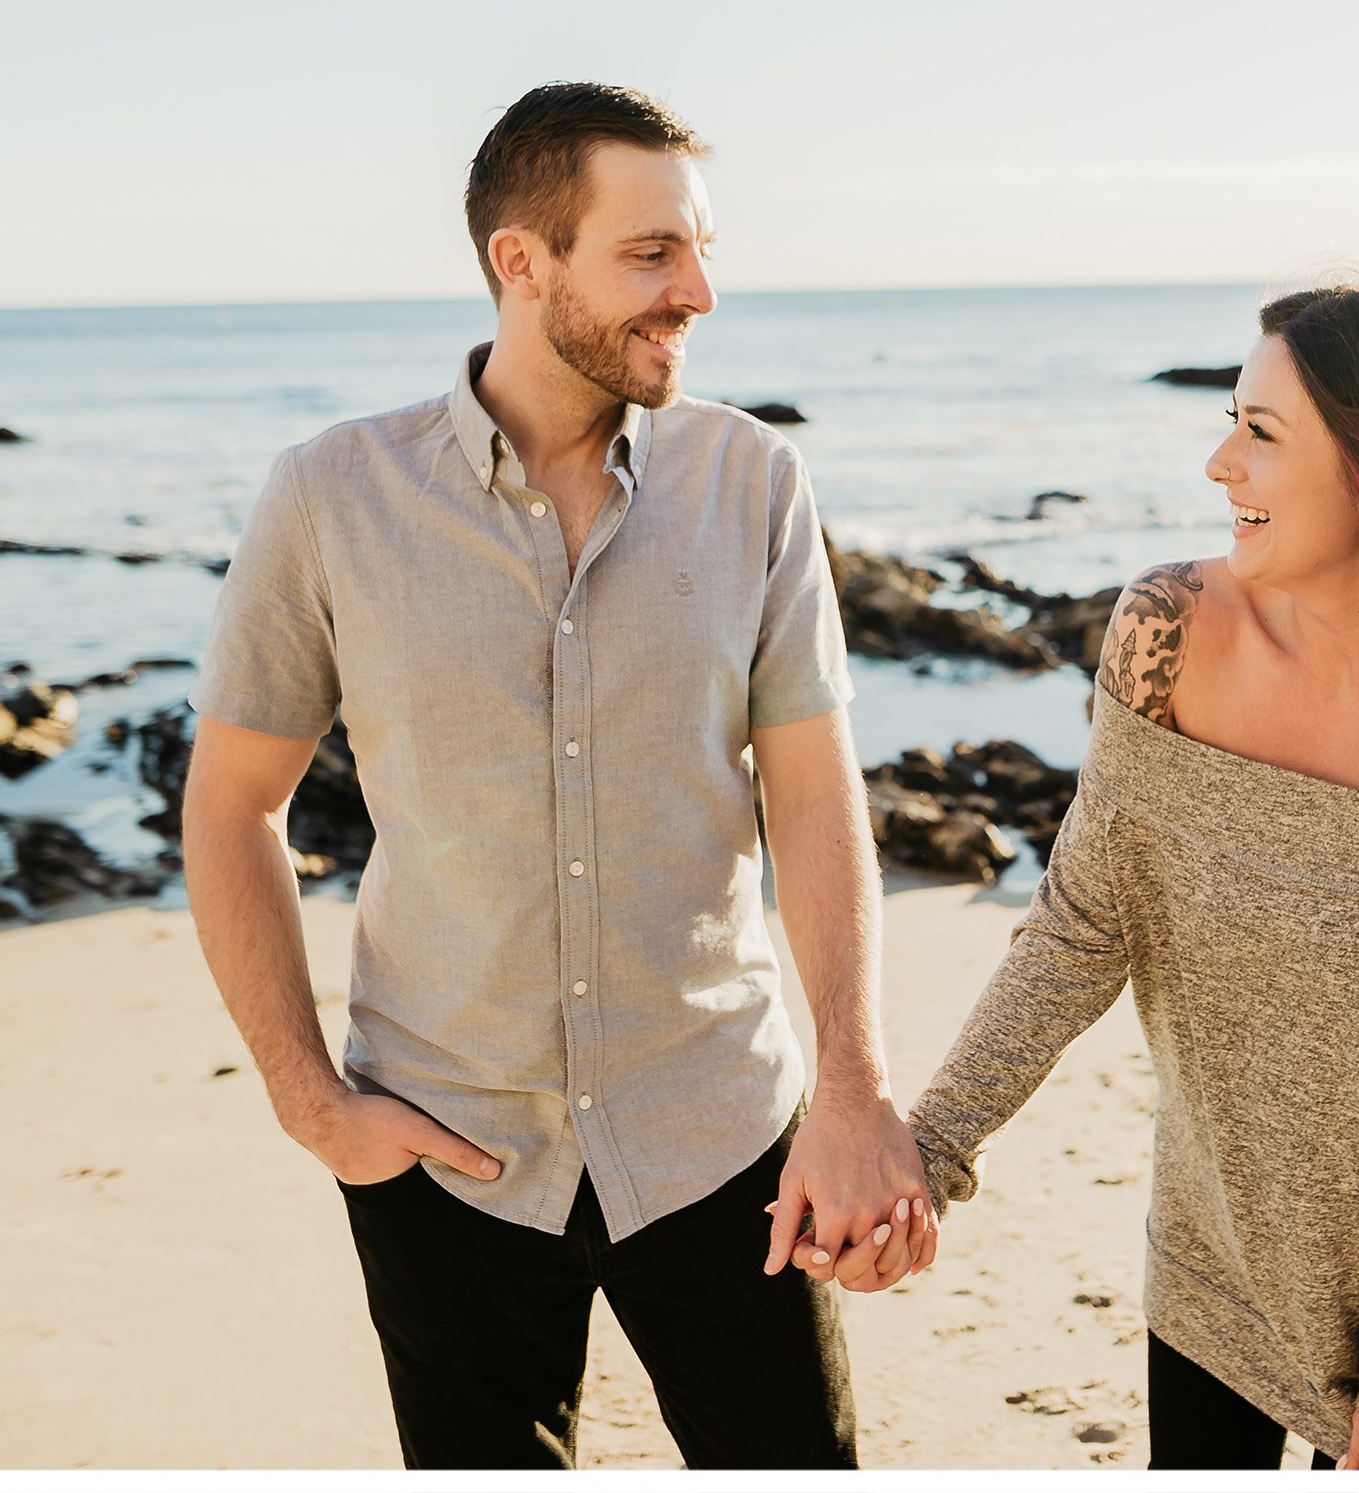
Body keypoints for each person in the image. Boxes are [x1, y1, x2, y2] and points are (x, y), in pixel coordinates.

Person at [181, 82, 935, 1471]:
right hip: (446, 1151)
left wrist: (854, 1086)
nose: (698, 290)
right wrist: (309, 1099)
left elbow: (816, 797)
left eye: (701, 249)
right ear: (519, 263)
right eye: (650, 254)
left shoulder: (753, 480)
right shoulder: (331, 495)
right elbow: (233, 805)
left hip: (725, 1136)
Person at [815, 274, 1359, 1469]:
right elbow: (1083, 925)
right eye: (1229, 419)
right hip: (1218, 1246)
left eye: (1260, 434)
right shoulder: (1166, 636)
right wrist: (931, 1152)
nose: (1221, 465)